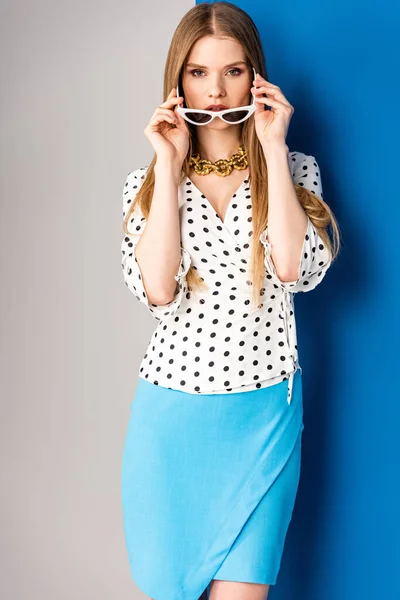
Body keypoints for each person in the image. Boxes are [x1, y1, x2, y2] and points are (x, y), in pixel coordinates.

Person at [120, 3, 341, 600]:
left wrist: (272, 148)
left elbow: (296, 271)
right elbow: (158, 290)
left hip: (264, 417)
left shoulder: (296, 169)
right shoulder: (145, 186)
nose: (216, 91)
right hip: (173, 423)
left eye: (233, 71)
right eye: (198, 73)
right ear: (177, 80)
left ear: (256, 76)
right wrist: (169, 167)